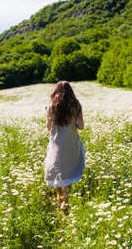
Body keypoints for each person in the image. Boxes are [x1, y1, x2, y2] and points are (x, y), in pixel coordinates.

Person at [44, 81, 85, 211]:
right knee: (68, 167)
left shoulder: (52, 106)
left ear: (56, 91)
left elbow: (49, 127)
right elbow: (81, 126)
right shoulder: (76, 105)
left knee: (55, 166)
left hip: (56, 141)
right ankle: (65, 197)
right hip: (71, 141)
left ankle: (59, 195)